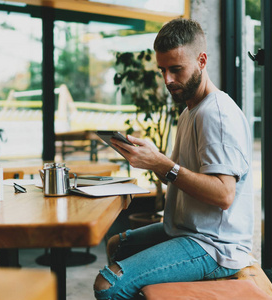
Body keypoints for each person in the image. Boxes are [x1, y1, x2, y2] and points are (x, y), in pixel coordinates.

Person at [93, 18, 254, 300]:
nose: (168, 80)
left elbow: (224, 194)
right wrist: (149, 159)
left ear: (202, 60)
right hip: (187, 230)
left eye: (176, 69)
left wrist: (161, 164)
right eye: (163, 70)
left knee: (108, 286)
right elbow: (182, 176)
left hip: (214, 246)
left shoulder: (216, 114)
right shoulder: (191, 110)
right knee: (117, 245)